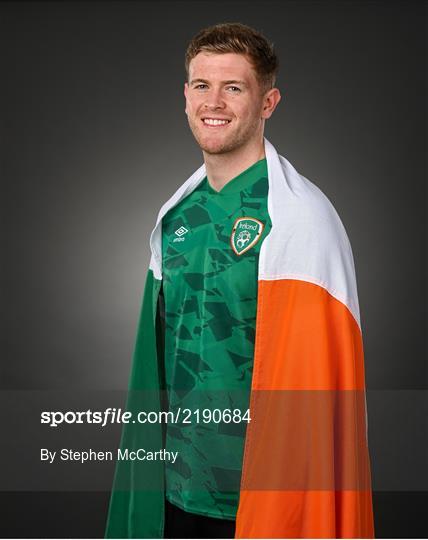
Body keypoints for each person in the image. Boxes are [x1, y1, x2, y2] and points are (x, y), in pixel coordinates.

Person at [105, 22, 374, 539]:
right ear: (185, 97)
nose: (215, 102)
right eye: (202, 85)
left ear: (268, 102)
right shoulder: (177, 217)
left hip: (263, 497)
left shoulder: (301, 220)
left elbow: (318, 384)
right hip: (175, 490)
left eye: (234, 87)